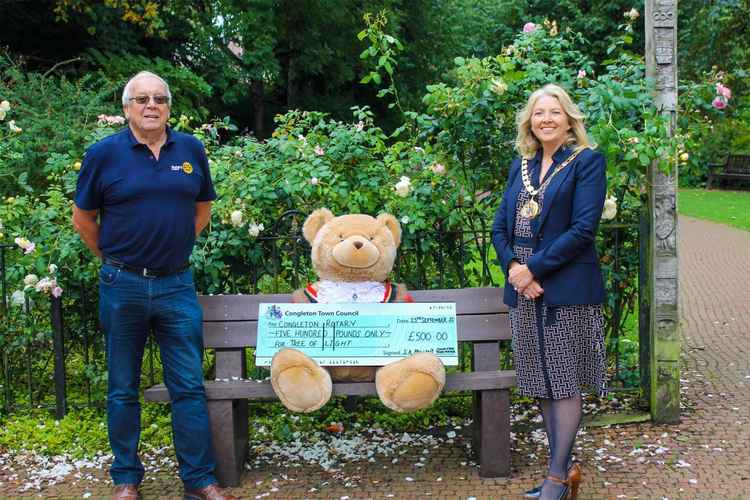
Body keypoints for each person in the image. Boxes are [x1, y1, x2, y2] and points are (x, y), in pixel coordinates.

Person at [73, 71, 236, 500]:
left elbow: (202, 209)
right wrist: (114, 260)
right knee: (123, 387)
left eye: (159, 99)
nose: (151, 105)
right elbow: (83, 220)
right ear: (126, 107)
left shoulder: (190, 150)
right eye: (141, 99)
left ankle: (199, 480)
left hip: (176, 286)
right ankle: (126, 479)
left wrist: (173, 247)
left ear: (168, 106)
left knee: (187, 386)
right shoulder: (104, 155)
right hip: (122, 285)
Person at [491, 83, 607, 500]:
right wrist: (514, 268)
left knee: (564, 380)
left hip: (566, 288)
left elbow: (583, 230)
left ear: (569, 119)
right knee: (540, 381)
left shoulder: (586, 162)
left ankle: (557, 479)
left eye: (554, 112)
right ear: (530, 121)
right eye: (539, 113)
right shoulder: (520, 165)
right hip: (524, 290)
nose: (546, 119)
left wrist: (532, 269)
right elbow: (500, 226)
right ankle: (562, 469)